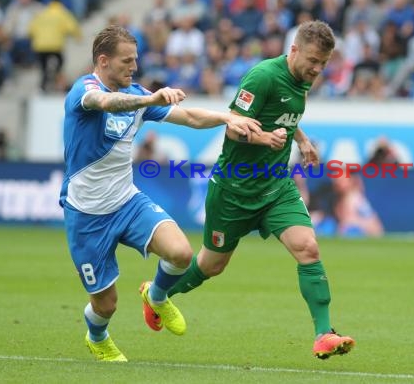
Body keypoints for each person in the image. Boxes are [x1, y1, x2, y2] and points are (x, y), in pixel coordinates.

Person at [152, 20, 356, 359]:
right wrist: (264, 138)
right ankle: (158, 293)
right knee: (211, 266)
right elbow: (232, 127)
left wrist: (301, 141)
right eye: (313, 61)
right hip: (234, 190)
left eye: (324, 63)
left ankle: (323, 334)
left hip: (276, 187)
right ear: (293, 51)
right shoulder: (262, 77)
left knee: (307, 247)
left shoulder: (301, 79)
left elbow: (286, 113)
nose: (318, 69)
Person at [59, 25, 261, 362]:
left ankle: (156, 296)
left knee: (181, 253)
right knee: (105, 305)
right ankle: (97, 336)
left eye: (135, 60)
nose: (133, 67)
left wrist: (228, 117)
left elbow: (190, 117)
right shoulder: (85, 90)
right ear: (103, 61)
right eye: (126, 61)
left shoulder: (136, 94)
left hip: (127, 202)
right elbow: (105, 102)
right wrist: (149, 98)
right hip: (87, 214)